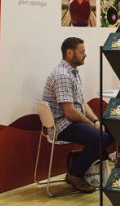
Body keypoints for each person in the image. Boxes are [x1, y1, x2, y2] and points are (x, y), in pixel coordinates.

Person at [42, 37, 114, 193]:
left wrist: (95, 120)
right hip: (62, 126)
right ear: (69, 53)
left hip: (71, 121)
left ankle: (81, 162)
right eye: (82, 52)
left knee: (113, 129)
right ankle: (75, 173)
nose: (85, 55)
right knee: (101, 138)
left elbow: (82, 103)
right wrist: (91, 125)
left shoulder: (73, 73)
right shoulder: (62, 75)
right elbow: (69, 111)